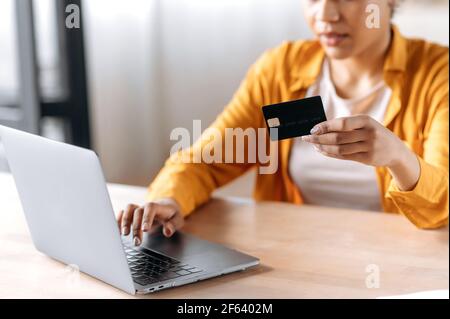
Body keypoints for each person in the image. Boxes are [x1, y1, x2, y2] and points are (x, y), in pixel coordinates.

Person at [118, 0, 449, 246]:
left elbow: (440, 207)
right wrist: (167, 200)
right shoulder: (280, 70)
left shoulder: (438, 75)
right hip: (295, 256)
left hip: (400, 262)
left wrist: (399, 158)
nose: (325, 15)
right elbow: (205, 161)